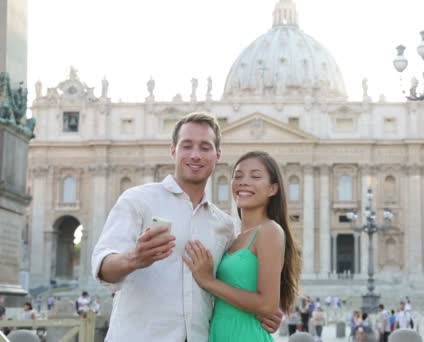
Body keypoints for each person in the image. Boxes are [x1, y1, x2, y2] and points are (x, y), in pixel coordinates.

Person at [91, 113, 281, 341]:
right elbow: (103, 266)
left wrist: (262, 310)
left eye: (205, 147)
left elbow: (228, 283)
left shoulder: (224, 225)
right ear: (173, 150)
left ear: (217, 155)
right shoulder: (138, 200)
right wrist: (135, 258)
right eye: (187, 146)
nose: (195, 155)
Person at [184, 151, 301, 342]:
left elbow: (267, 305)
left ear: (273, 189)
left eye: (255, 176)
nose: (243, 181)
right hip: (221, 332)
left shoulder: (270, 231)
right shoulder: (235, 238)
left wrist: (209, 282)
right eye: (237, 176)